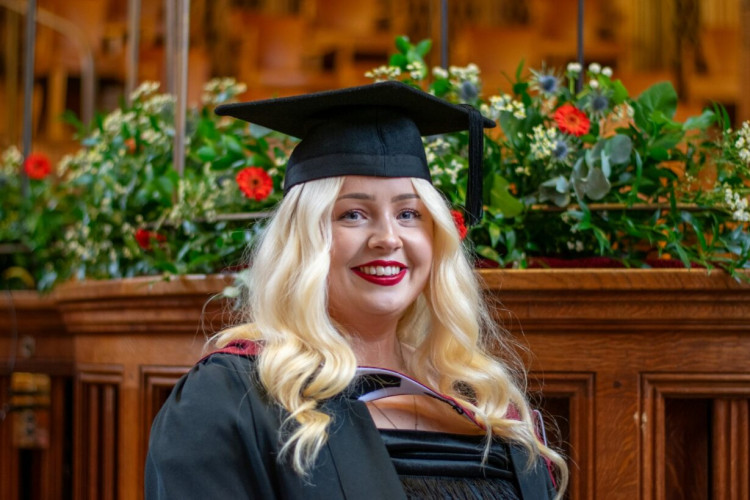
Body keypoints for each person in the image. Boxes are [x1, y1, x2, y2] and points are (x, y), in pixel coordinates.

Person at [145, 80, 568, 499]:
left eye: (408, 213)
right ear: (303, 242)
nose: (388, 237)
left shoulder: (482, 402)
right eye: (353, 214)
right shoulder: (230, 400)